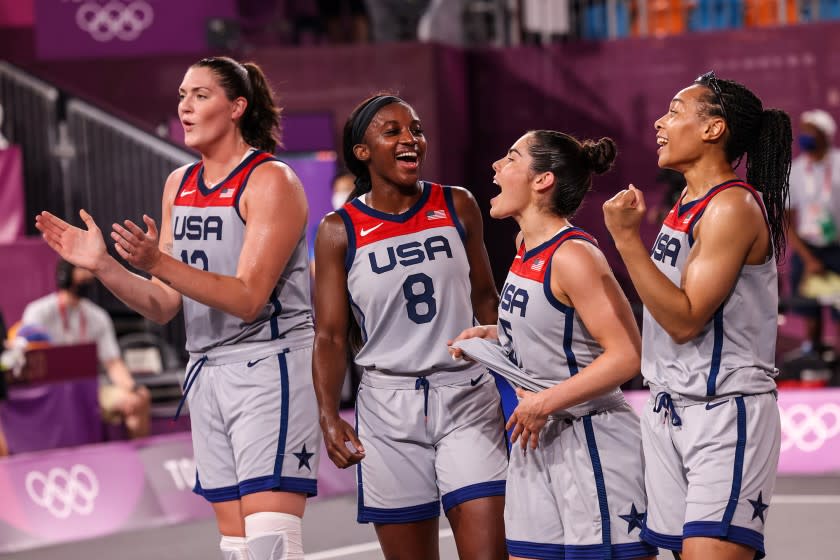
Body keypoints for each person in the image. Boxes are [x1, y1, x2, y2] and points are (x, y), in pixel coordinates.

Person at [35, 56, 318, 560]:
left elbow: (249, 298)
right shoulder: (178, 184)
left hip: (268, 369)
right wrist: (104, 265)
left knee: (271, 548)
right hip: (207, 371)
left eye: (201, 95)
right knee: (236, 548)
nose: (185, 107)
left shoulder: (272, 180)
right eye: (183, 96)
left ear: (237, 107)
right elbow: (164, 304)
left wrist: (160, 261)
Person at [603, 71, 791, 560]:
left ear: (713, 129)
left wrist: (626, 240)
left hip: (723, 413)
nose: (660, 123)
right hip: (670, 409)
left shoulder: (731, 206)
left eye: (675, 111)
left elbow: (686, 319)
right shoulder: (686, 202)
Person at [313, 94, 508, 559]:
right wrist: (326, 414)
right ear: (363, 151)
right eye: (393, 131)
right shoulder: (339, 230)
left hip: (466, 393)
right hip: (387, 405)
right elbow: (331, 335)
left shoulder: (457, 204)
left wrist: (521, 378)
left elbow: (486, 297)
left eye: (416, 129)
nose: (411, 140)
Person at [452, 131, 657, 560]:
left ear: (542, 180)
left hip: (591, 442)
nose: (496, 167)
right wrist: (493, 335)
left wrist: (544, 402)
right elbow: (553, 327)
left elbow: (626, 355)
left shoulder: (573, 256)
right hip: (536, 437)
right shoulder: (524, 246)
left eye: (510, 158)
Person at [21, 259, 151, 438]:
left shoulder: (98, 317)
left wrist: (132, 387)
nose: (89, 277)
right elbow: (30, 359)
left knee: (137, 402)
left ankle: (137, 460)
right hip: (52, 393)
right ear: (64, 276)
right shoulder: (38, 313)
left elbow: (113, 363)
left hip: (91, 390)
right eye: (83, 271)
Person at [785, 109, 840, 355]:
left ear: (826, 135)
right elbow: (786, 219)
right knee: (808, 308)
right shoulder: (795, 171)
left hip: (837, 248)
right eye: (803, 131)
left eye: (811, 131)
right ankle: (813, 356)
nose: (805, 136)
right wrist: (807, 258)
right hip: (808, 248)